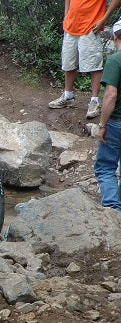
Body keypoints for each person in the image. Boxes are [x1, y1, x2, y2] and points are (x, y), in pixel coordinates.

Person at [49, 0, 121, 119]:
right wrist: (66, 15)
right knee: (68, 62)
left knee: (94, 65)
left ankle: (94, 101)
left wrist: (103, 20)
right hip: (71, 25)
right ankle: (68, 96)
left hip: (91, 27)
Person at [94, 19, 121, 211]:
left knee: (105, 166)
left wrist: (102, 125)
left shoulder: (114, 60)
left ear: (115, 36)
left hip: (116, 123)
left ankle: (112, 210)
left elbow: (111, 95)